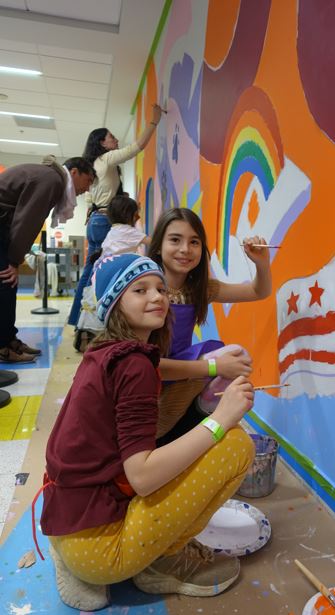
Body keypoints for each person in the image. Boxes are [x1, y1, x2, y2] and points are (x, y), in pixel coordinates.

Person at [40, 253, 255, 611]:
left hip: (66, 519)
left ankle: (78, 560)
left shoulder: (106, 352)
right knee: (235, 445)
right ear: (114, 304)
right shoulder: (135, 365)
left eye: (159, 288)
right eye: (139, 290)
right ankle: (163, 563)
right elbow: (141, 476)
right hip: (99, 551)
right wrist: (221, 419)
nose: (157, 296)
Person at [147, 207, 272, 440]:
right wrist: (214, 366)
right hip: (147, 373)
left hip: (182, 366)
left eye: (194, 242)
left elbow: (258, 290)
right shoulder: (145, 288)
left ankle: (200, 413)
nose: (185, 249)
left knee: (236, 355)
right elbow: (145, 363)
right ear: (158, 245)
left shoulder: (199, 289)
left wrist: (262, 263)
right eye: (175, 240)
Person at [67, 104, 163, 327]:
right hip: (103, 220)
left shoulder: (92, 165)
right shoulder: (107, 159)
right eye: (111, 137)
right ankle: (95, 321)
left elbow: (90, 197)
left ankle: (78, 319)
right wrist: (154, 122)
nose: (116, 140)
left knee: (91, 270)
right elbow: (136, 148)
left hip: (94, 220)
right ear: (102, 143)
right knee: (102, 271)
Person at [0, 156, 94, 366]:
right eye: (88, 181)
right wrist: (15, 261)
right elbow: (28, 220)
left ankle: (9, 340)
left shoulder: (51, 178)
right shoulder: (52, 180)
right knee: (6, 282)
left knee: (8, 285)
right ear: (75, 172)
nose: (87, 189)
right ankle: (4, 347)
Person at [73, 195, 151, 351]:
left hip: (101, 270)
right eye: (136, 213)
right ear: (128, 215)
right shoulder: (129, 231)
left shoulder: (114, 229)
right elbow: (152, 242)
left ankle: (86, 334)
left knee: (96, 303)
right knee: (115, 305)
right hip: (114, 273)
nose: (139, 216)